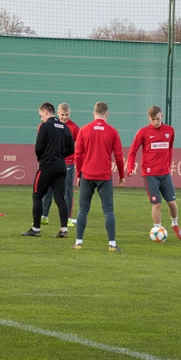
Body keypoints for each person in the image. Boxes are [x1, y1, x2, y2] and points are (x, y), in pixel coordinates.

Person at [73, 101, 125, 252]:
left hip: (87, 175)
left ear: (93, 113)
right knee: (108, 210)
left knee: (83, 209)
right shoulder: (112, 131)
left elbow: (78, 155)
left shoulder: (84, 130)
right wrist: (122, 176)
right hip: (104, 176)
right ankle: (112, 245)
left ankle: (78, 242)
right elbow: (119, 157)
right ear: (107, 114)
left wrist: (79, 174)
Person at [126, 105, 181, 240]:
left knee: (172, 203)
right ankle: (157, 230)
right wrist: (130, 167)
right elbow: (132, 151)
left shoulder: (170, 131)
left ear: (162, 116)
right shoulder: (142, 132)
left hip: (165, 173)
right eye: (153, 119)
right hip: (149, 174)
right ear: (148, 118)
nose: (156, 122)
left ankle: (175, 224)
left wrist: (168, 166)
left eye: (158, 119)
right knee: (156, 203)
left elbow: (169, 149)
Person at [22, 102, 75, 238]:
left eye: (41, 115)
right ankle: (63, 230)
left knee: (37, 195)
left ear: (46, 112)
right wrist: (59, 156)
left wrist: (43, 159)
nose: (41, 118)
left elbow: (38, 147)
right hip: (61, 167)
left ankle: (36, 228)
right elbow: (71, 149)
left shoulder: (45, 126)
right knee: (60, 198)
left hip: (46, 166)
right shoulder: (65, 127)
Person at [40, 102, 80, 227]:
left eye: (67, 115)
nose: (64, 117)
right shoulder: (50, 125)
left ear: (70, 113)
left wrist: (76, 162)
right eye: (62, 114)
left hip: (68, 163)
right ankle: (44, 216)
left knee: (67, 190)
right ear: (58, 113)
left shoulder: (74, 127)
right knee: (48, 189)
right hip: (52, 162)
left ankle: (68, 218)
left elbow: (78, 147)